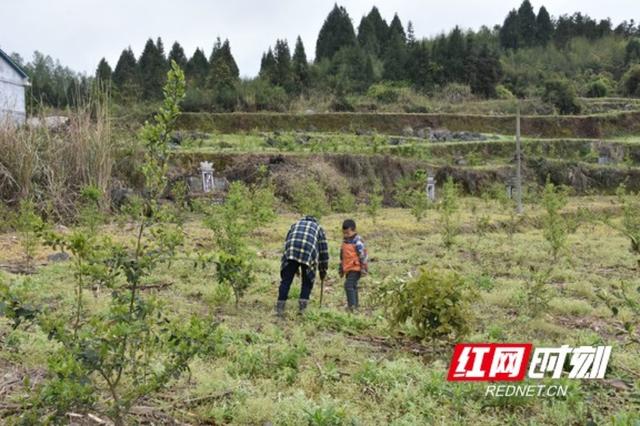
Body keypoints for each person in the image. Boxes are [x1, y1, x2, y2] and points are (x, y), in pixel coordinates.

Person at [276, 215, 329, 317]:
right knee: (307, 280)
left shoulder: (295, 224)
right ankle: (302, 309)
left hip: (291, 251)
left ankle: (280, 307)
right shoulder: (318, 228)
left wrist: (290, 266)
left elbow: (287, 241)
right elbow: (323, 252)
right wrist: (323, 271)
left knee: (286, 280)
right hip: (308, 252)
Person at [339, 219, 368, 312]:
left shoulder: (358, 241)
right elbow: (342, 256)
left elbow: (363, 255)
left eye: (347, 233)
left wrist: (363, 268)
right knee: (353, 286)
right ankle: (355, 306)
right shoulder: (345, 241)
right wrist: (341, 268)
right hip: (348, 268)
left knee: (348, 285)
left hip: (356, 268)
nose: (345, 235)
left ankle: (351, 307)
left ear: (353, 230)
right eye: (344, 233)